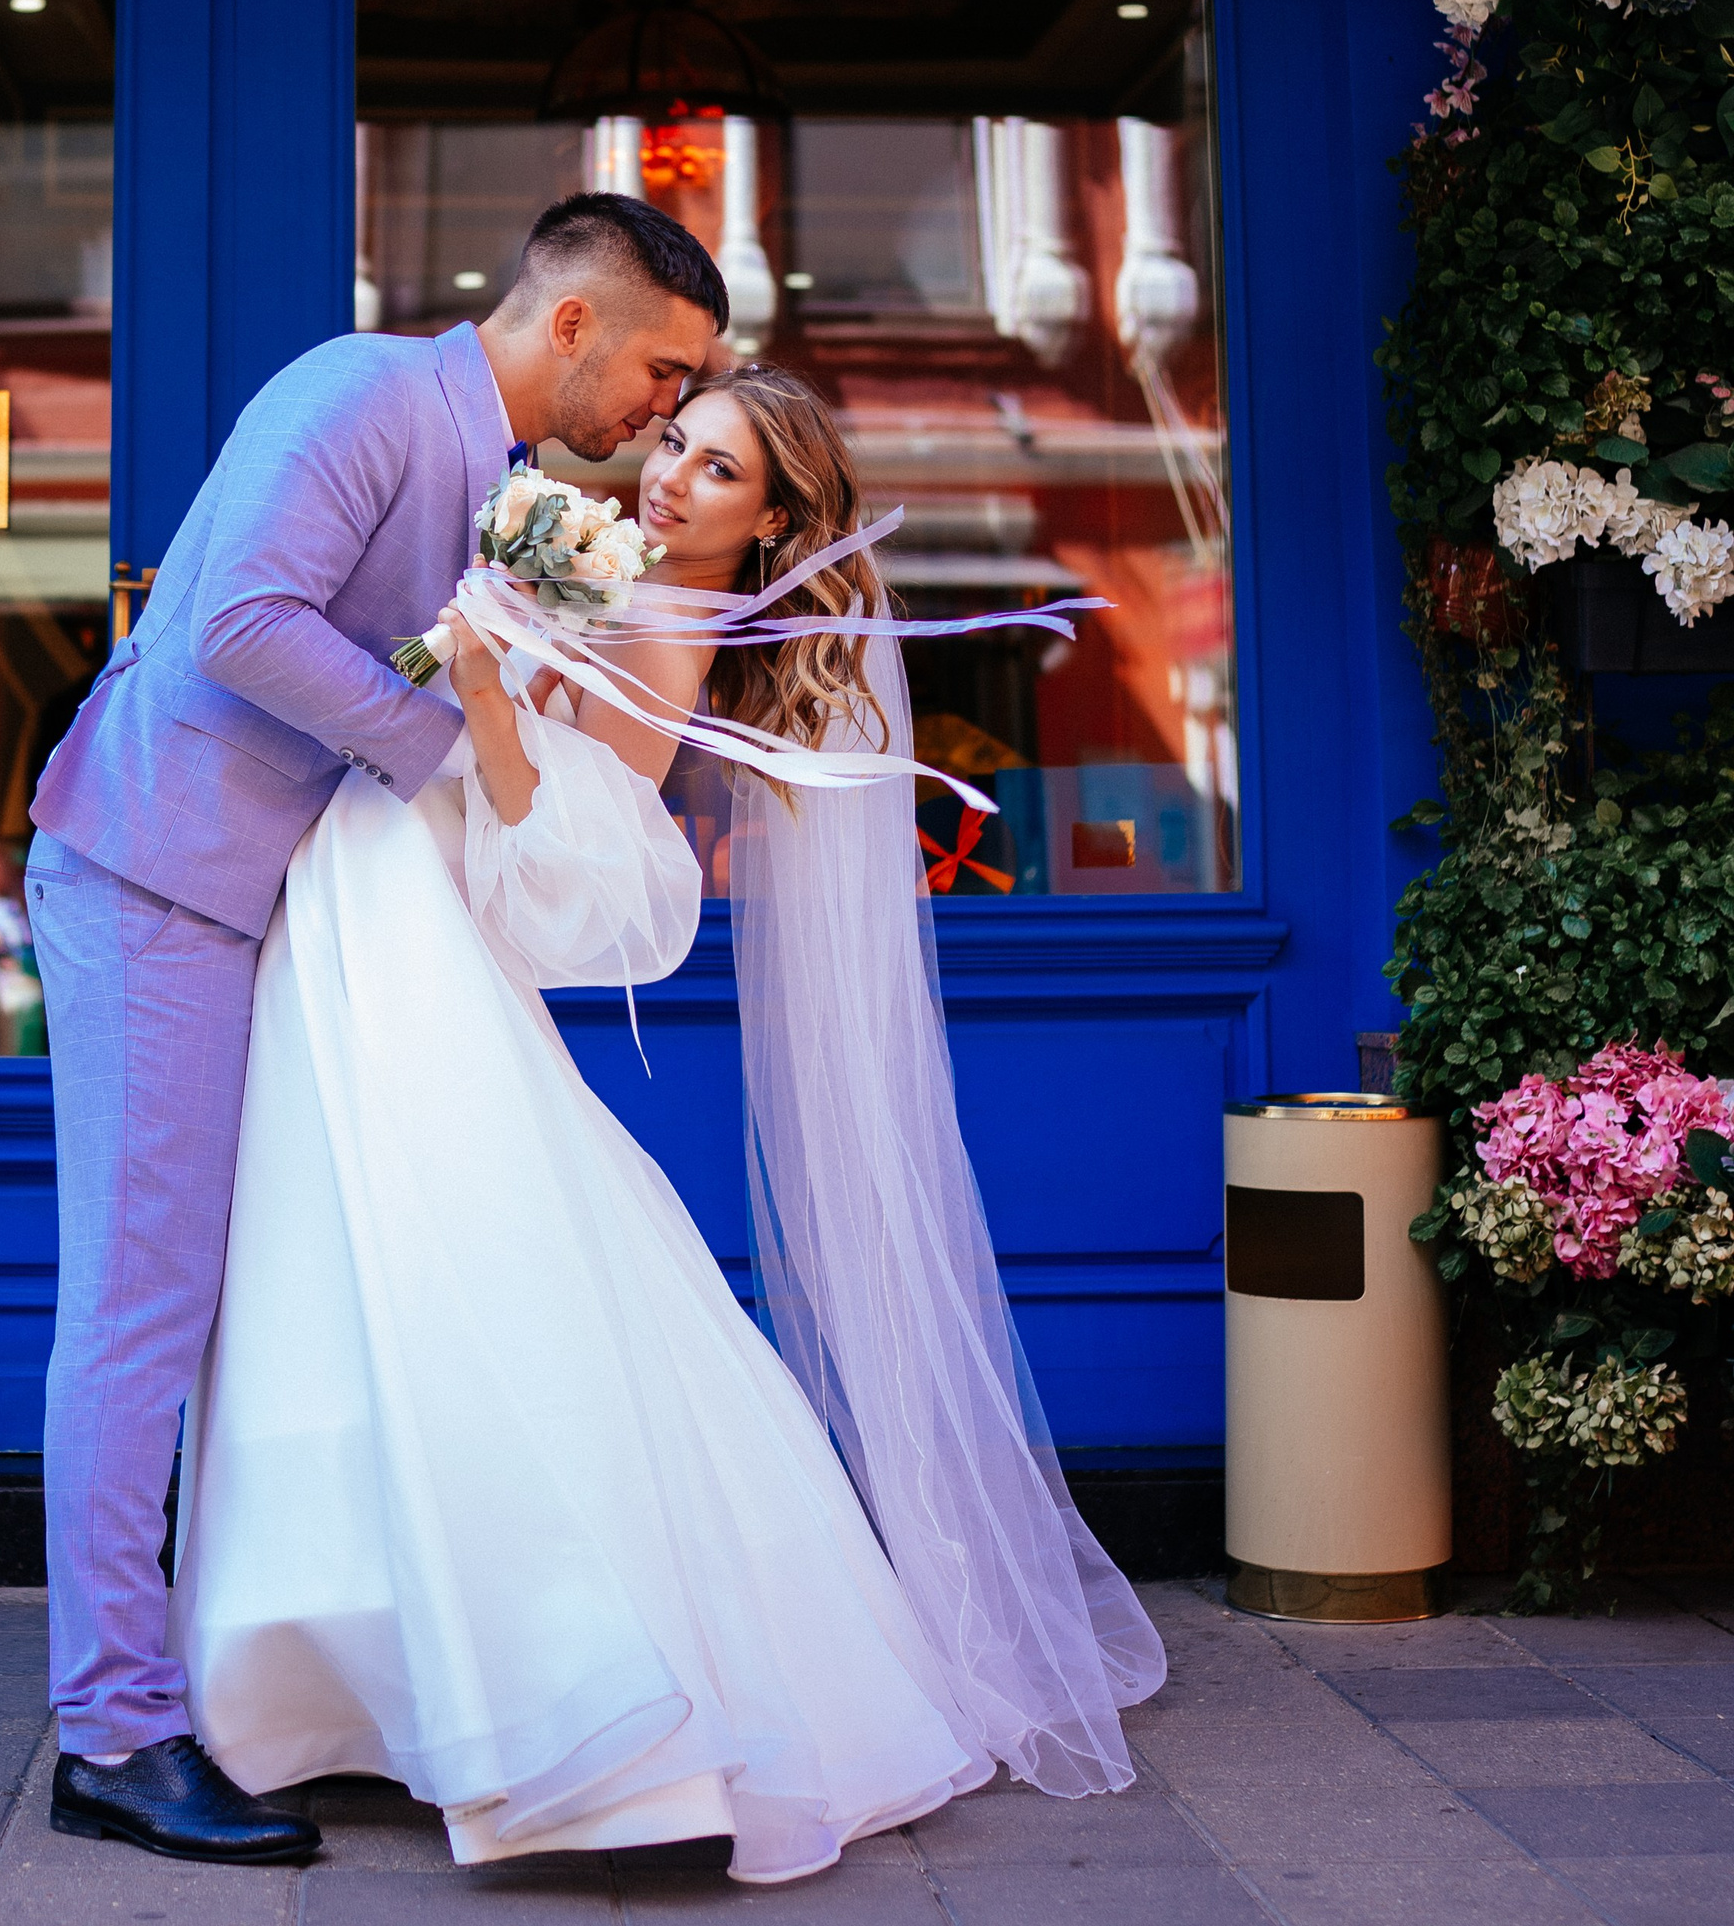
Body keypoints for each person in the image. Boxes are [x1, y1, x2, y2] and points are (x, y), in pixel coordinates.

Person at [170, 364, 1166, 1881]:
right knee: (345, 1259)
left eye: (716, 472)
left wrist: (483, 685)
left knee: (436, 1262)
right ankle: (351, 1670)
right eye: (677, 443)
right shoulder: (604, 570)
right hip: (370, 884)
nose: (670, 476)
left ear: (770, 524)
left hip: (421, 918)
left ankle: (545, 1678)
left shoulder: (672, 624)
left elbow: (578, 848)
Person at [27, 192, 728, 1866]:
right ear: (574, 321)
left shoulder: (501, 473)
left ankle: (274, 1678)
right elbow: (238, 621)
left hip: (271, 908)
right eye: (665, 368)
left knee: (225, 1295)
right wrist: (442, 749)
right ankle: (110, 1733)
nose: (667, 408)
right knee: (141, 1302)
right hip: (159, 878)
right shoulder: (358, 390)